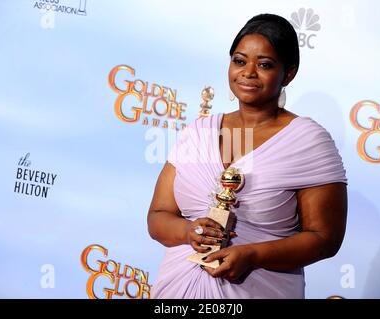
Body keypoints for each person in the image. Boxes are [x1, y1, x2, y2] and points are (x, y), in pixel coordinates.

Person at [147, 13, 347, 298]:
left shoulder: (308, 140)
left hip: (259, 289)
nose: (248, 72)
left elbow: (325, 239)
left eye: (264, 64)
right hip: (178, 289)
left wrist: (252, 254)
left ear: (288, 73)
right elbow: (158, 216)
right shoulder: (199, 131)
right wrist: (189, 230)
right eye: (239, 61)